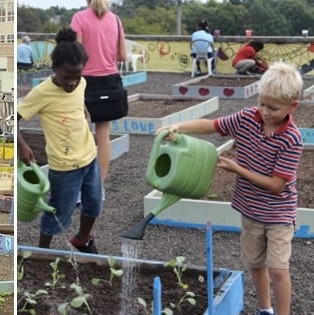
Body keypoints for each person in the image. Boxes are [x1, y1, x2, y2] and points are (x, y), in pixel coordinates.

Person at [156, 62, 303, 315]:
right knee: (256, 265)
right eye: (262, 103)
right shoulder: (246, 118)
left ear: (292, 107)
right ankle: (265, 309)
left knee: (278, 269)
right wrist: (178, 127)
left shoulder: (292, 139)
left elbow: (278, 186)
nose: (265, 111)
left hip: (278, 213)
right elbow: (212, 126)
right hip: (250, 209)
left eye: (274, 108)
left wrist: (238, 170)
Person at [18, 28, 102, 254]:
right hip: (64, 167)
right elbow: (12, 120)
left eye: (77, 76)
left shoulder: (81, 83)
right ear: (55, 69)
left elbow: (78, 102)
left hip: (89, 157)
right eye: (68, 77)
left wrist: (84, 113)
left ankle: (82, 239)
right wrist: (22, 145)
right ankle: (41, 254)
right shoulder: (41, 93)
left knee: (94, 204)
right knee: (58, 213)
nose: (73, 82)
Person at [70, 0, 126, 197]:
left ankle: (78, 188)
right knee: (103, 135)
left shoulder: (79, 18)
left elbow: (75, 55)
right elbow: (123, 56)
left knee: (80, 134)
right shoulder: (116, 20)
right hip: (110, 81)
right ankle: (98, 188)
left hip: (85, 83)